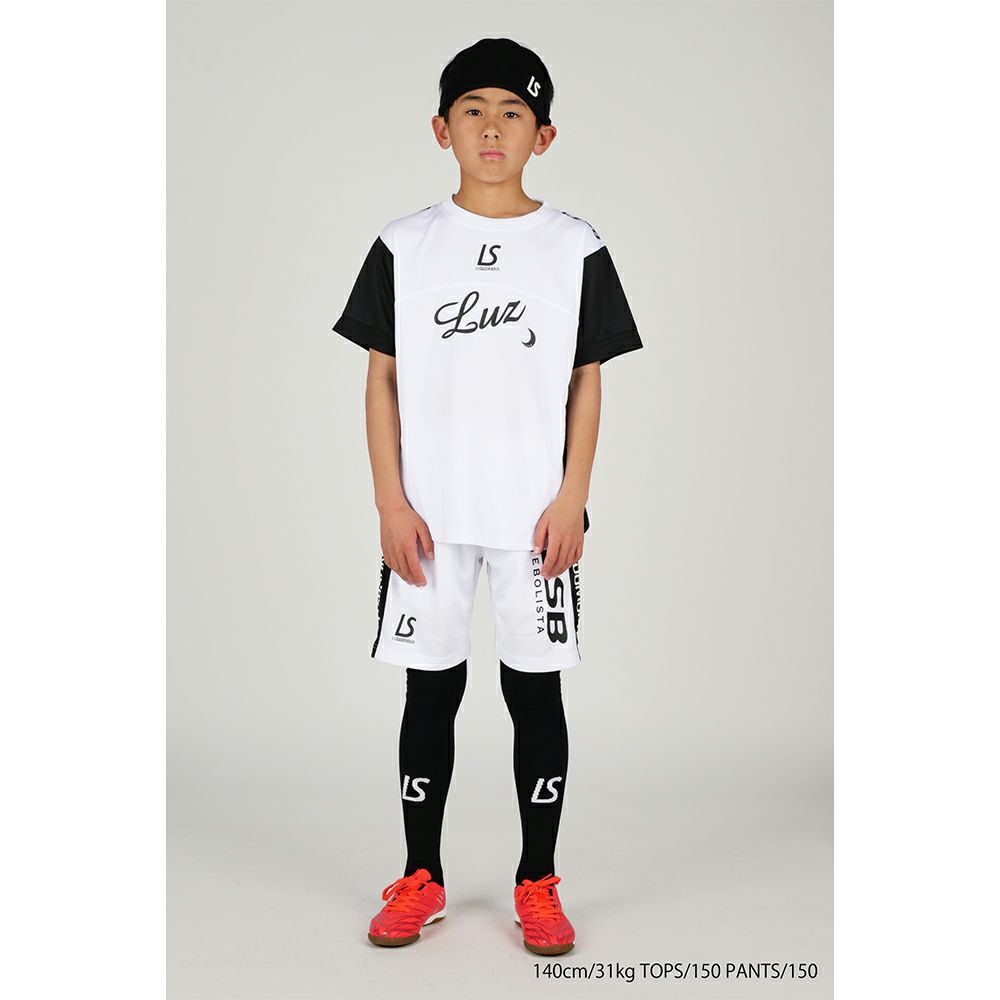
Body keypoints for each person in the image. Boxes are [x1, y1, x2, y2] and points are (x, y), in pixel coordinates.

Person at [332, 37, 643, 956]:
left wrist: (573, 495)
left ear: (545, 135)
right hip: (428, 519)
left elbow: (588, 377)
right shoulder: (405, 245)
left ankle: (537, 880)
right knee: (428, 693)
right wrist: (390, 502)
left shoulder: (575, 247)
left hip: (533, 520)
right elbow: (381, 377)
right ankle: (420, 876)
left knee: (534, 694)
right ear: (442, 129)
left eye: (514, 112)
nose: (493, 128)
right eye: (473, 110)